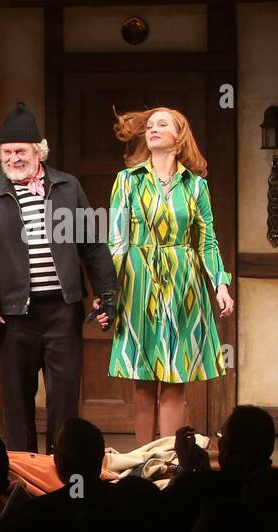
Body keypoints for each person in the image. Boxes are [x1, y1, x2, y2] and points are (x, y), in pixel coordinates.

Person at [0, 103, 117, 454]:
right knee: (17, 402)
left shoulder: (67, 187)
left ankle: (62, 471)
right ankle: (23, 475)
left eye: (21, 150)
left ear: (39, 150)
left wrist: (107, 292)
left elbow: (92, 243)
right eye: (6, 152)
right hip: (15, 315)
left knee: (64, 399)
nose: (14, 158)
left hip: (61, 310)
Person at [108, 107, 234, 446]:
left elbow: (207, 240)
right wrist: (109, 292)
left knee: (175, 377)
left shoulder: (195, 187)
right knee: (143, 380)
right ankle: (143, 461)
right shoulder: (127, 180)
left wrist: (220, 284)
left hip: (183, 284)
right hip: (138, 282)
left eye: (161, 124)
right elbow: (116, 240)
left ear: (179, 137)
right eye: (149, 126)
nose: (152, 129)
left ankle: (169, 463)